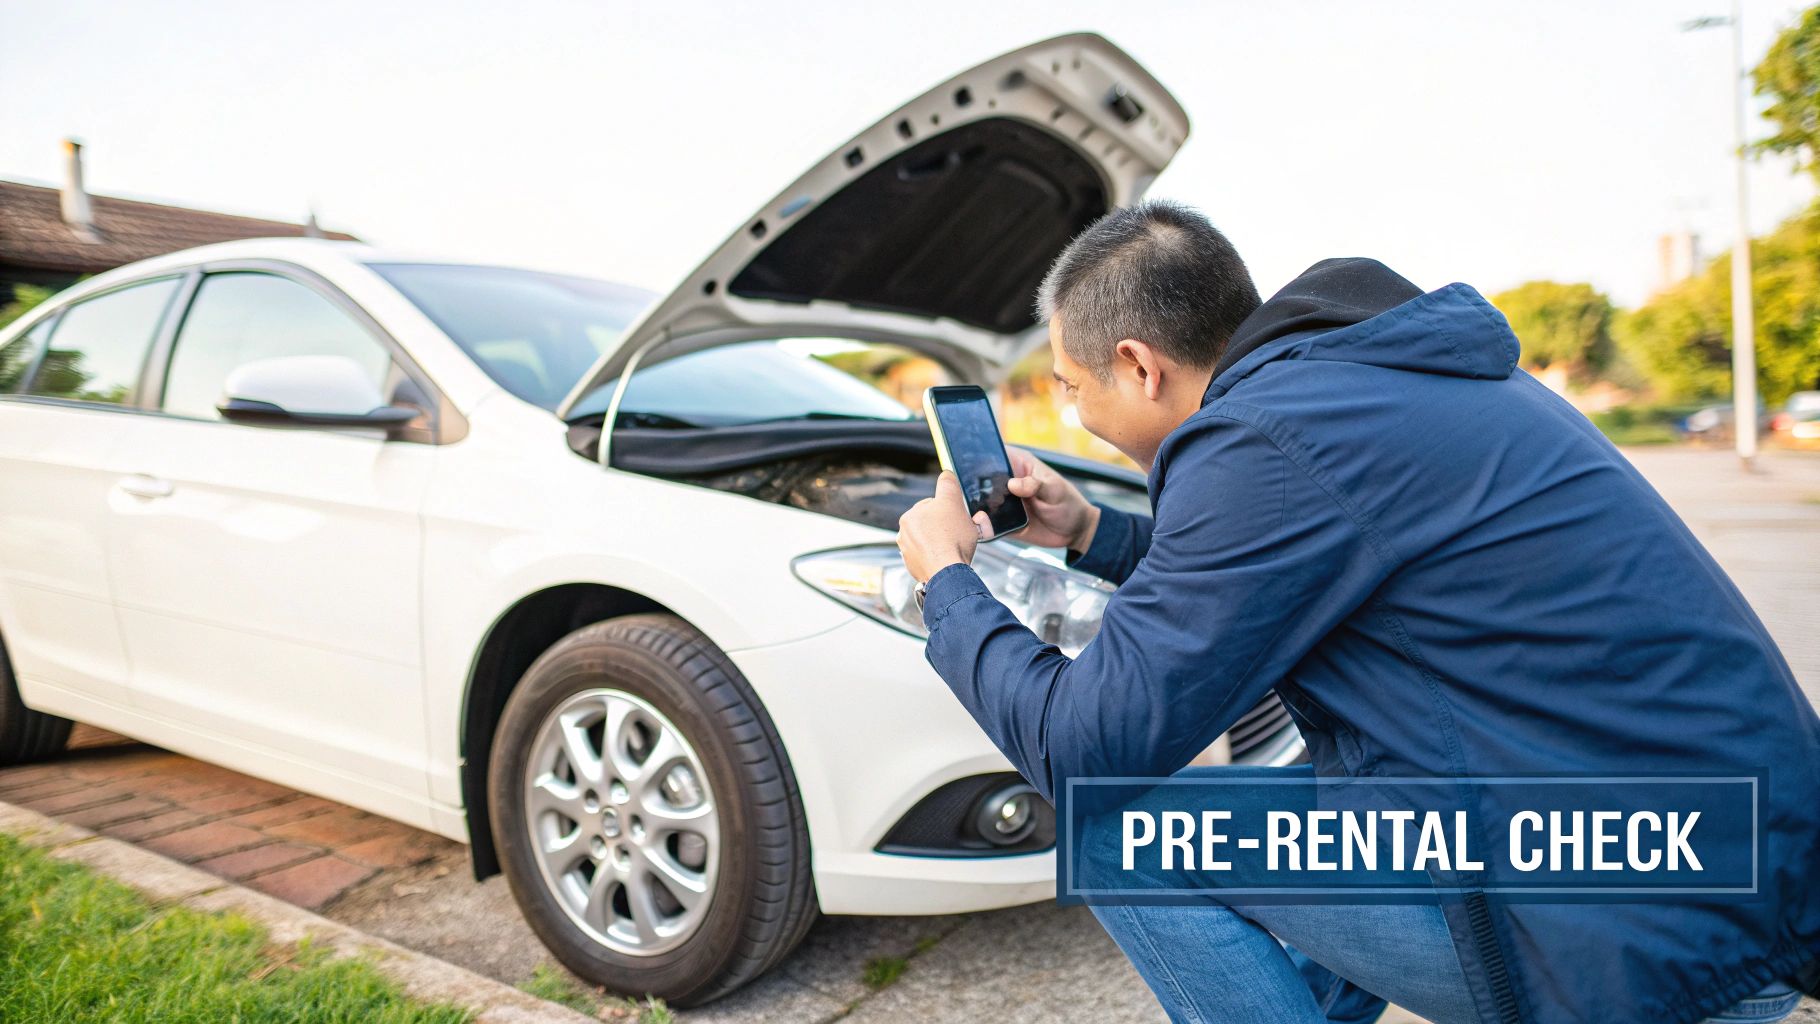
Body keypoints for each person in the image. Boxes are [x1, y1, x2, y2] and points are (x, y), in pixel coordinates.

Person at [895, 200, 1820, 1024]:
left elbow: (1084, 744)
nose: (1071, 406)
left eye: (1070, 383)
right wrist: (1094, 530)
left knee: (1118, 827)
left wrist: (948, 584)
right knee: (1324, 782)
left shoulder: (1263, 442)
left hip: (1643, 935)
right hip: (1728, 864)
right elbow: (1265, 582)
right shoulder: (1364, 382)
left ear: (1137, 367)